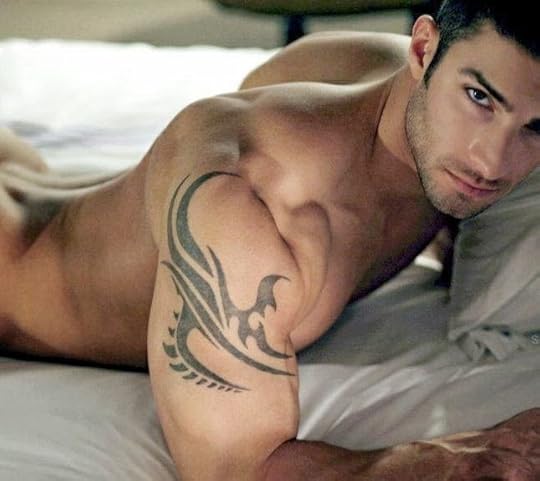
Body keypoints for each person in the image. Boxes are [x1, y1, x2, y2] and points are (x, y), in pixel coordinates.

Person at [0, 0, 539, 479]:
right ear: (423, 50)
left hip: (37, 181)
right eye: (478, 98)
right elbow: (235, 468)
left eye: (536, 128)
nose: (491, 162)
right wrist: (468, 460)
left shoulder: (386, 79)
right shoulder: (250, 211)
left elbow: (259, 84)